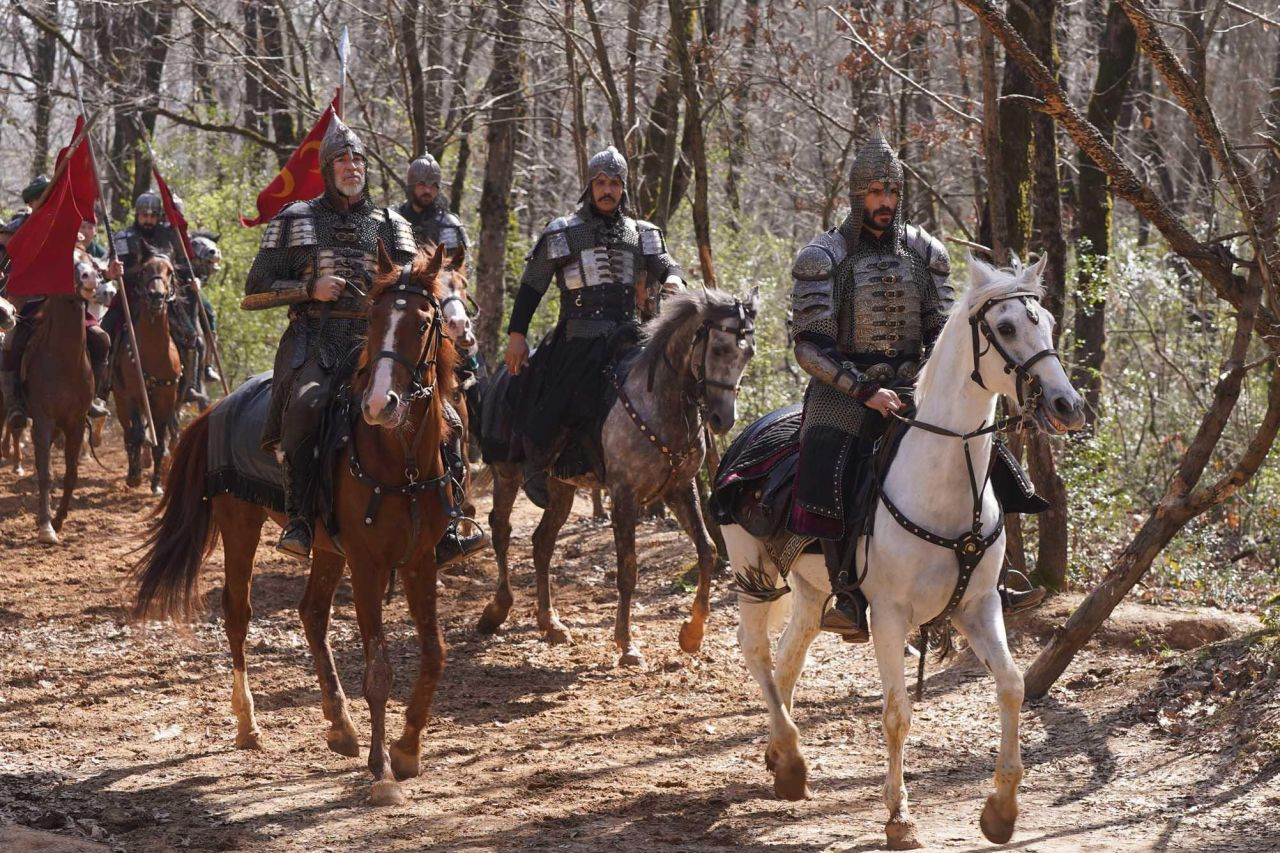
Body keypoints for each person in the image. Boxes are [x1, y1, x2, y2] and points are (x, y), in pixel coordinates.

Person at [789, 133, 1045, 643]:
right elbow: (809, 348)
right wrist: (864, 391)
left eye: (891, 191)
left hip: (914, 386)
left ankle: (998, 574)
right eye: (875, 192)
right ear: (857, 194)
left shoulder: (925, 252)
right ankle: (845, 590)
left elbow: (941, 331)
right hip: (844, 395)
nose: (884, 201)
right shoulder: (824, 257)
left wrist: (923, 383)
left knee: (987, 457)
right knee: (826, 463)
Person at [243, 116, 419, 559]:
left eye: (358, 159)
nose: (351, 166)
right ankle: (300, 518)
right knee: (306, 406)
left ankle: (450, 516)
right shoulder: (296, 219)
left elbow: (411, 288)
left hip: (374, 343)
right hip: (314, 339)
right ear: (327, 168)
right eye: (342, 159)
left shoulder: (391, 224)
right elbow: (254, 292)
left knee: (441, 410)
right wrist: (309, 290)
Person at [503, 146, 684, 491]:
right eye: (601, 182)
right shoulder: (563, 231)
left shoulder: (641, 232)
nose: (607, 190)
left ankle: (668, 463)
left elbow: (666, 264)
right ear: (589, 186)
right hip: (578, 337)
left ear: (623, 188)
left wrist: (674, 278)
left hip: (630, 338)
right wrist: (517, 335)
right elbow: (531, 287)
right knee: (561, 398)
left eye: (615, 183)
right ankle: (546, 463)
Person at [101, 191, 210, 407]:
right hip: (131, 295)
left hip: (168, 299)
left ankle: (190, 385)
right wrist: (115, 271)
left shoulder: (171, 236)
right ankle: (103, 385)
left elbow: (182, 266)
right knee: (105, 332)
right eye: (144, 215)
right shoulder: (124, 237)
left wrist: (193, 280)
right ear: (137, 215)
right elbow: (109, 265)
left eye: (152, 215)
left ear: (159, 215)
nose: (148, 219)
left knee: (193, 338)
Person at [396, 152, 468, 253]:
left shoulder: (448, 224)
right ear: (412, 186)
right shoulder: (392, 222)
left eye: (433, 185)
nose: (427, 191)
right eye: (422, 184)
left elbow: (458, 266)